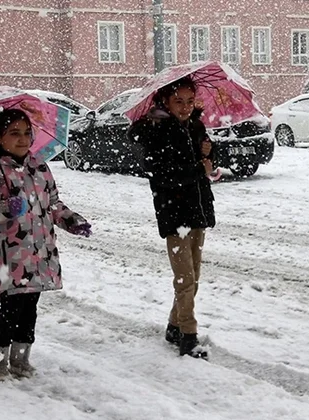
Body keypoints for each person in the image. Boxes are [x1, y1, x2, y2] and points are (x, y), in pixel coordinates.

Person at [0, 109, 91, 381]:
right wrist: (3, 209)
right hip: (6, 256)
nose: (23, 139)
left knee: (30, 308)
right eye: (13, 133)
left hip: (40, 251)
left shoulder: (40, 167)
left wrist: (72, 221)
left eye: (26, 132)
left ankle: (20, 360)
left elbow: (53, 204)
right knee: (10, 309)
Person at [128, 77, 215, 359]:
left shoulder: (194, 126)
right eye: (179, 101)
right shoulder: (156, 132)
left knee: (194, 276)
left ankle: (174, 325)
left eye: (190, 101)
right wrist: (198, 169)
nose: (186, 107)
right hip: (174, 212)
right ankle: (189, 336)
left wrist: (209, 148)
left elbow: (206, 158)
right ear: (165, 101)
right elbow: (163, 176)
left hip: (197, 209)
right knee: (185, 277)